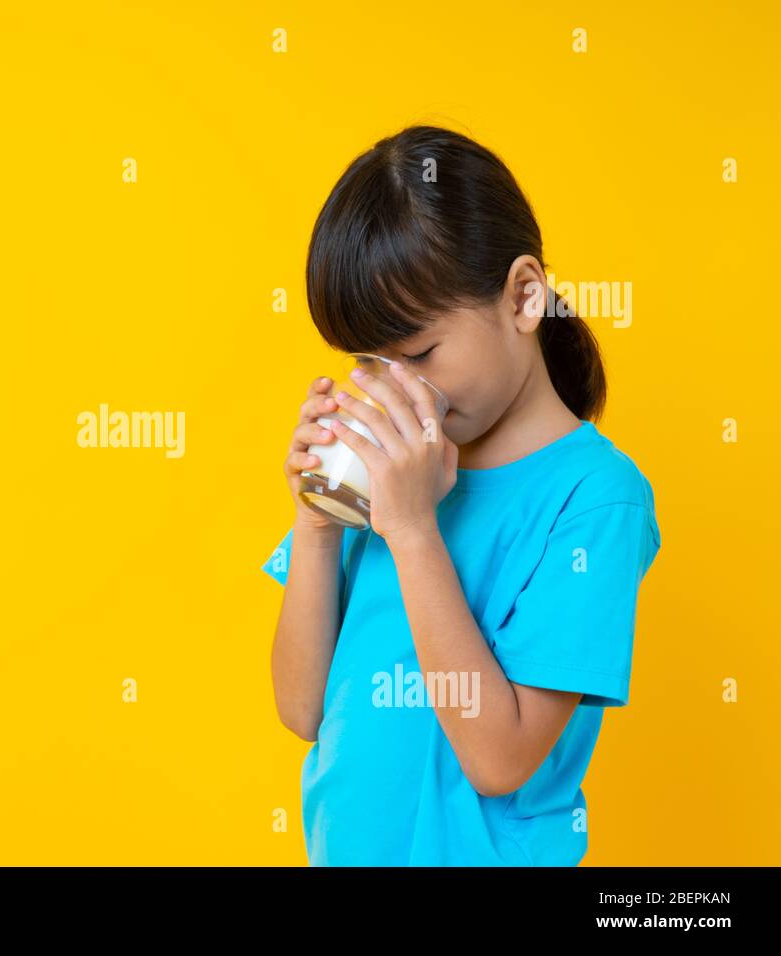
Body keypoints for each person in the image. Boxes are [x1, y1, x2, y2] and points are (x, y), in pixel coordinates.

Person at [262, 124, 661, 866]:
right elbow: (302, 709)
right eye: (369, 363)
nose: (394, 388)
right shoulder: (392, 469)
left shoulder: (596, 501)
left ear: (523, 297)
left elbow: (500, 758)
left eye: (417, 354)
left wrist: (414, 532)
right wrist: (317, 524)